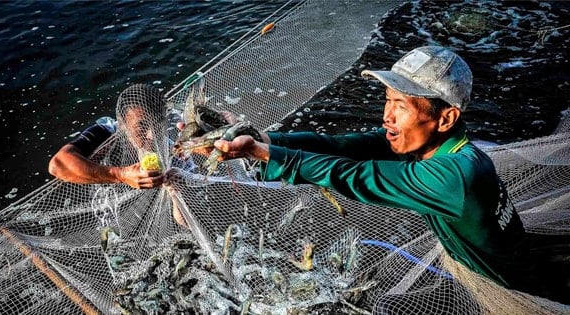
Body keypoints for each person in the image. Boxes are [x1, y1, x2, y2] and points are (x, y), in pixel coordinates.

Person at [204, 46, 568, 305]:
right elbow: (342, 149)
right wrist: (268, 140)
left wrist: (262, 154)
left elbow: (356, 175)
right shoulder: (428, 147)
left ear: (446, 119)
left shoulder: (458, 175)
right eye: (387, 100)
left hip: (513, 290)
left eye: (401, 106)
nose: (387, 117)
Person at [49, 83, 188, 226]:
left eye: (158, 123)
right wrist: (121, 175)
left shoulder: (175, 135)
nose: (151, 135)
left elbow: (186, 221)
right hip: (115, 204)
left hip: (156, 213)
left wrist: (176, 194)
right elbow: (57, 164)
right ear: (123, 125)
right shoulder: (107, 132)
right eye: (142, 126)